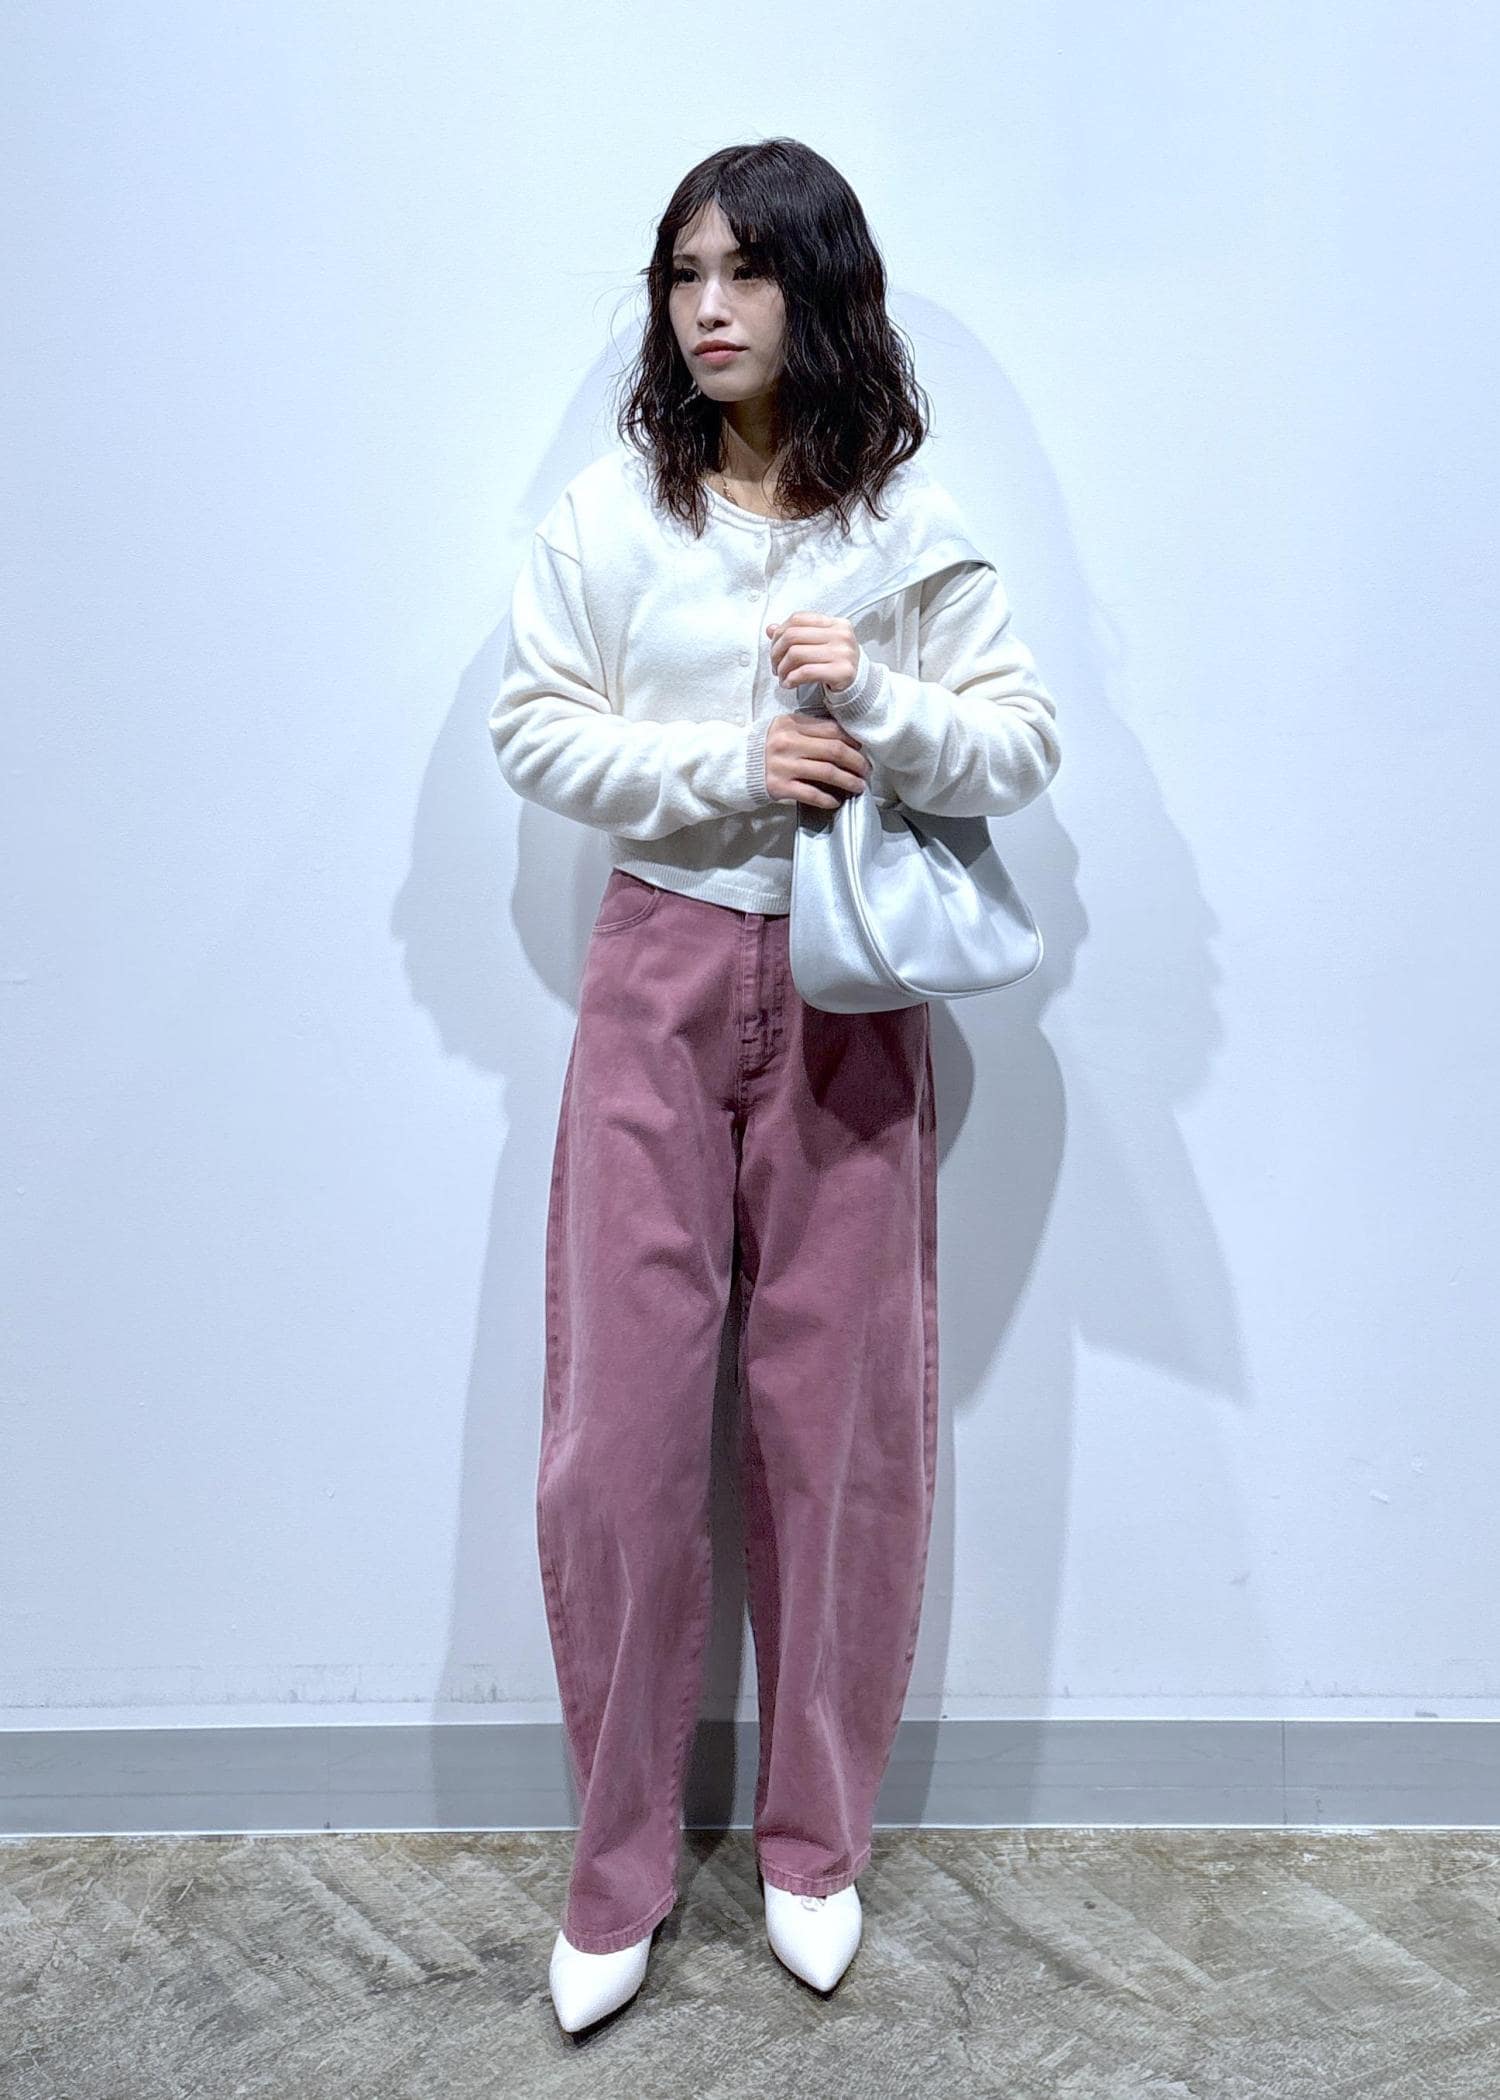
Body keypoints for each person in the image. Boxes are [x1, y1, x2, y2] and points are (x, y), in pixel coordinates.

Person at [489, 137, 1061, 2033]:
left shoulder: (905, 526)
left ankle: (817, 1846)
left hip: (847, 995)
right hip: (656, 976)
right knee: (619, 1442)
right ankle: (618, 1867)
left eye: (746, 271)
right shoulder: (608, 517)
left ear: (823, 292)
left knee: (842, 1432)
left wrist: (881, 706)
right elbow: (533, 727)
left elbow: (1021, 743)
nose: (709, 308)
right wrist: (730, 767)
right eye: (682, 274)